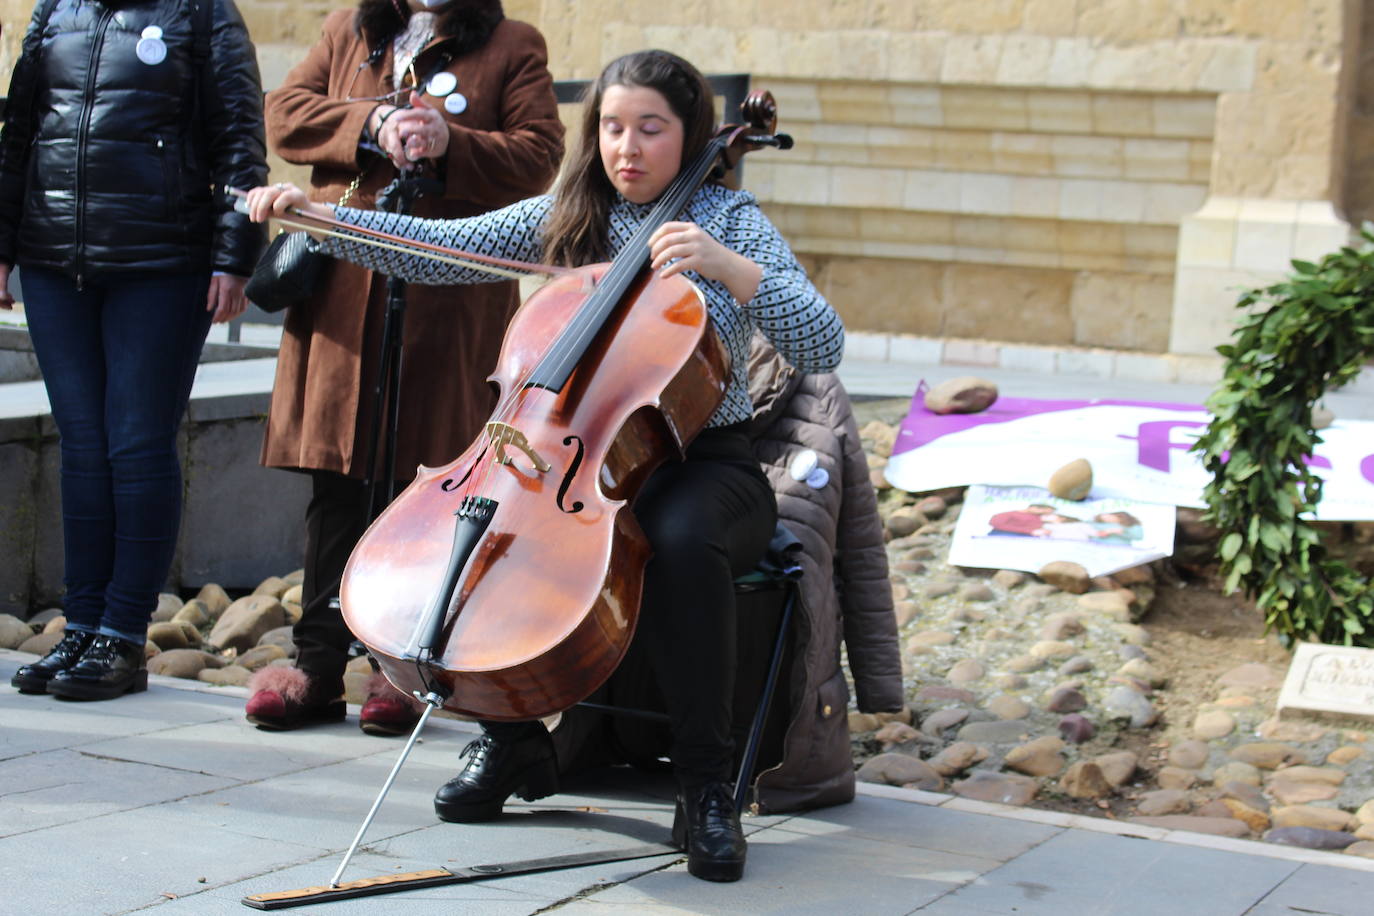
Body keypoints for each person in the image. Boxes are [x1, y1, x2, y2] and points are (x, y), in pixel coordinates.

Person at [244, 48, 844, 883]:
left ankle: (707, 786)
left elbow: (824, 340)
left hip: (706, 463)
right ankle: (513, 740)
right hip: (570, 463)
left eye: (650, 130)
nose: (626, 148)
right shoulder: (572, 213)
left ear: (690, 135)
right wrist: (324, 219)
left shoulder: (729, 224)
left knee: (677, 538)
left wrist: (729, 269)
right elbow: (439, 250)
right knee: (507, 544)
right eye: (610, 127)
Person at [241, 0, 564, 736]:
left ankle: (401, 668)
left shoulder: (512, 45)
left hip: (445, 300)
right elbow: (284, 114)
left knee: (423, 482)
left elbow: (541, 156)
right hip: (344, 296)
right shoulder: (348, 29)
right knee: (336, 474)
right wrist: (370, 126)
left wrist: (452, 142)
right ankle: (317, 664)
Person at [2, 0, 267, 700]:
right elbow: (20, 130)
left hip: (162, 265)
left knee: (137, 445)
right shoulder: (56, 10)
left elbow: (240, 138)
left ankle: (123, 634)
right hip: (54, 260)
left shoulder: (202, 14)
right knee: (82, 446)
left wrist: (234, 257)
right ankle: (83, 625)